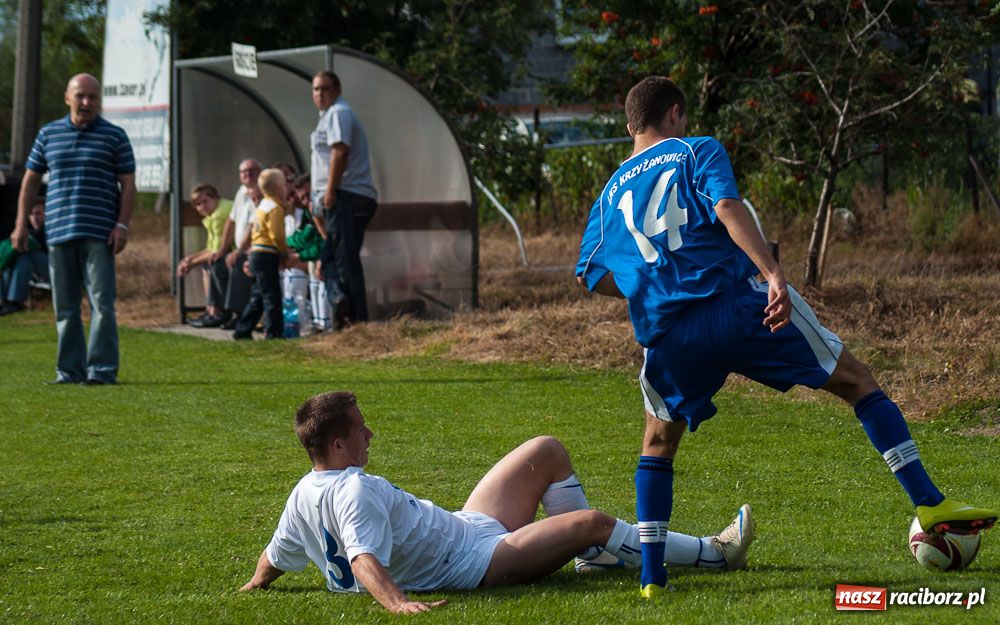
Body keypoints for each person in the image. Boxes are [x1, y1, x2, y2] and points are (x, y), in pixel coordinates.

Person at [575, 76, 997, 599]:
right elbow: (728, 209)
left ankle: (652, 578)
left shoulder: (610, 190)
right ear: (676, 114)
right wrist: (773, 272)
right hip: (737, 305)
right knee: (855, 380)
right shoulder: (694, 149)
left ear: (629, 125)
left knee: (658, 444)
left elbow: (589, 274)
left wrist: (651, 286)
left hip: (669, 333)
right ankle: (929, 501)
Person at [239, 391, 756, 614]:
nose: (370, 434)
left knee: (545, 450)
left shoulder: (302, 492)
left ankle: (592, 560)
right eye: (359, 429)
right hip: (476, 562)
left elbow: (275, 555)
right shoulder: (354, 488)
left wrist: (255, 582)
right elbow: (361, 558)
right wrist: (396, 604)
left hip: (467, 527)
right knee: (593, 521)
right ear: (336, 446)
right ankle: (715, 553)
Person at [13, 73, 135, 385]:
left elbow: (128, 184)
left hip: (100, 231)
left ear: (99, 101)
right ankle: (68, 372)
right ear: (67, 97)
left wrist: (122, 224)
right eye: (80, 96)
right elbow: (30, 181)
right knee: (65, 307)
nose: (86, 102)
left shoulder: (115, 136)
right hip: (58, 232)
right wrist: (20, 224)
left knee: (102, 305)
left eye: (92, 97)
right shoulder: (48, 134)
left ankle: (101, 371)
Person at [310, 71, 378, 327]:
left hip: (348, 195)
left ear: (337, 89)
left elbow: (340, 152)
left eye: (325, 88)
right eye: (316, 89)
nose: (320, 94)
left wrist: (330, 191)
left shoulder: (339, 113)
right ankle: (341, 304)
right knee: (330, 259)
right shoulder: (327, 116)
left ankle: (358, 323)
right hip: (342, 196)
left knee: (346, 262)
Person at [233, 169, 289, 340]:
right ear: (279, 187)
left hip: (256, 253)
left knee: (258, 295)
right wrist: (283, 251)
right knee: (272, 296)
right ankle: (274, 333)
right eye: (285, 184)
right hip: (267, 254)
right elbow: (277, 235)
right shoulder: (275, 208)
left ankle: (243, 329)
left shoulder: (262, 206)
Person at [214, 158, 262, 330]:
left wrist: (239, 250)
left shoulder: (261, 191)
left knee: (239, 262)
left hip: (253, 248)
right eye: (244, 171)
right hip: (241, 247)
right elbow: (231, 221)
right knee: (217, 262)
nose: (248, 174)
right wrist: (222, 249)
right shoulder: (242, 191)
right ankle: (219, 312)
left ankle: (239, 313)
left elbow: (253, 225)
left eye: (252, 170)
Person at [176, 184, 233, 328]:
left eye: (205, 201)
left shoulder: (219, 215)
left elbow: (217, 251)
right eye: (198, 204)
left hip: (237, 254)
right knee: (206, 264)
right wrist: (189, 259)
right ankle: (211, 310)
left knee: (212, 263)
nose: (202, 207)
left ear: (215, 198)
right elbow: (210, 248)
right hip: (230, 254)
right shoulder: (214, 214)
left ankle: (216, 313)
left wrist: (189, 264)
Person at [1, 200, 48, 315]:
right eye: (31, 214)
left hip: (54, 271)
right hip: (34, 272)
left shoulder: (51, 230)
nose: (34, 217)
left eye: (38, 213)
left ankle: (9, 301)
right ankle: (11, 302)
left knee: (24, 250)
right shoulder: (28, 232)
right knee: (22, 260)